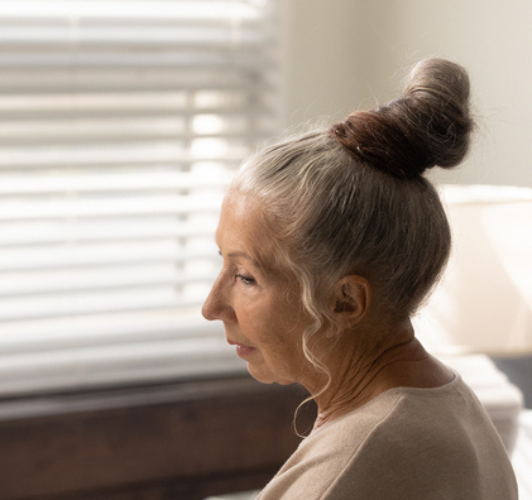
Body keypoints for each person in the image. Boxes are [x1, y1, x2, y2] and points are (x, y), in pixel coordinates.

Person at [201, 58, 516, 499]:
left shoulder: (355, 467)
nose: (212, 306)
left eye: (246, 277)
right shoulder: (451, 407)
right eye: (223, 263)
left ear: (345, 300)